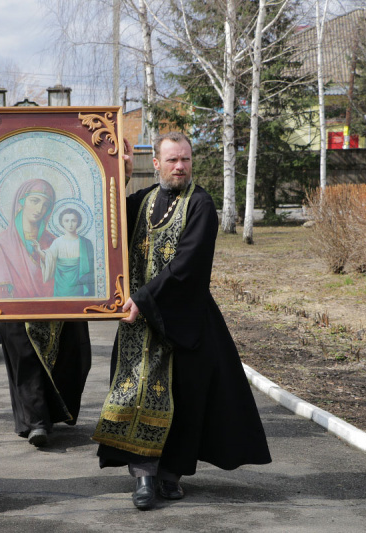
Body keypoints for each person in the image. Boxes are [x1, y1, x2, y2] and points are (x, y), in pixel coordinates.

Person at [93, 132, 271, 510]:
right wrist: (119, 173)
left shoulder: (201, 203)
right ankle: (143, 477)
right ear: (155, 163)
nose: (180, 167)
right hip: (137, 324)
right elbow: (106, 225)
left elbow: (188, 265)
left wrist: (142, 298)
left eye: (185, 160)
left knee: (182, 399)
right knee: (133, 393)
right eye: (172, 160)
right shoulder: (141, 201)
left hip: (185, 320)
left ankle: (169, 476)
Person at [0, 179, 92, 448]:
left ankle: (53, 412)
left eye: (46, 204)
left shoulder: (54, 240)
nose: (40, 208)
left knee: (77, 348)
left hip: (55, 308)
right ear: (20, 202)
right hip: (17, 311)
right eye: (34, 200)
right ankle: (36, 423)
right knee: (27, 356)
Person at [38, 207, 95, 297]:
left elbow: (92, 268)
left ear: (78, 222)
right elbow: (49, 258)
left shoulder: (86, 243)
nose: (70, 224)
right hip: (61, 285)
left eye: (73, 220)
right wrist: (38, 251)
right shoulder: (57, 242)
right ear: (62, 223)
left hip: (79, 285)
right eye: (67, 221)